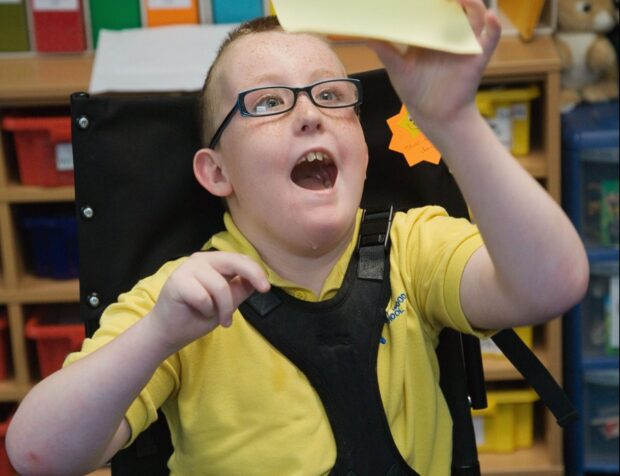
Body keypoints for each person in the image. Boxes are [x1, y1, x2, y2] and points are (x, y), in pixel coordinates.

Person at [6, 1, 589, 474]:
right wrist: (157, 336)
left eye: (331, 95)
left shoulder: (414, 249)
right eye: (267, 102)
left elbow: (552, 284)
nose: (309, 114)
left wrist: (453, 122)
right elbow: (38, 455)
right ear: (216, 172)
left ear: (362, 148)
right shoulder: (180, 302)